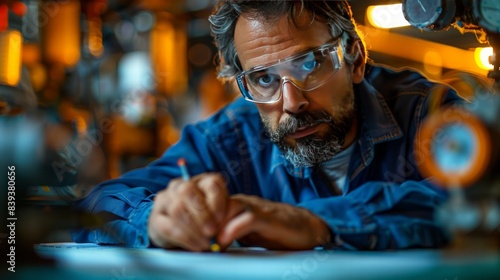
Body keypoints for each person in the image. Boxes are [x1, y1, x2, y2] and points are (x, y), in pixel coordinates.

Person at [71, 0, 464, 251]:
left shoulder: (428, 113)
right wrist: (154, 220)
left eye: (310, 64)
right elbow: (96, 204)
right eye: (263, 79)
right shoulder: (229, 139)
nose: (290, 103)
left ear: (355, 59)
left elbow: (479, 198)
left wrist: (318, 222)